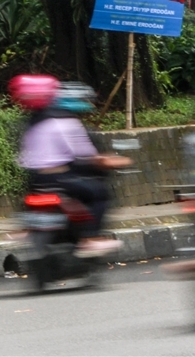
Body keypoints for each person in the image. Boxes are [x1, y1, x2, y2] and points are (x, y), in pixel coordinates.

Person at [12, 76, 130, 258]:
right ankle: (90, 239)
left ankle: (27, 229)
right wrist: (113, 161)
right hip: (59, 179)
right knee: (99, 193)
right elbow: (88, 156)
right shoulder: (66, 122)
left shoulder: (30, 123)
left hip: (34, 179)